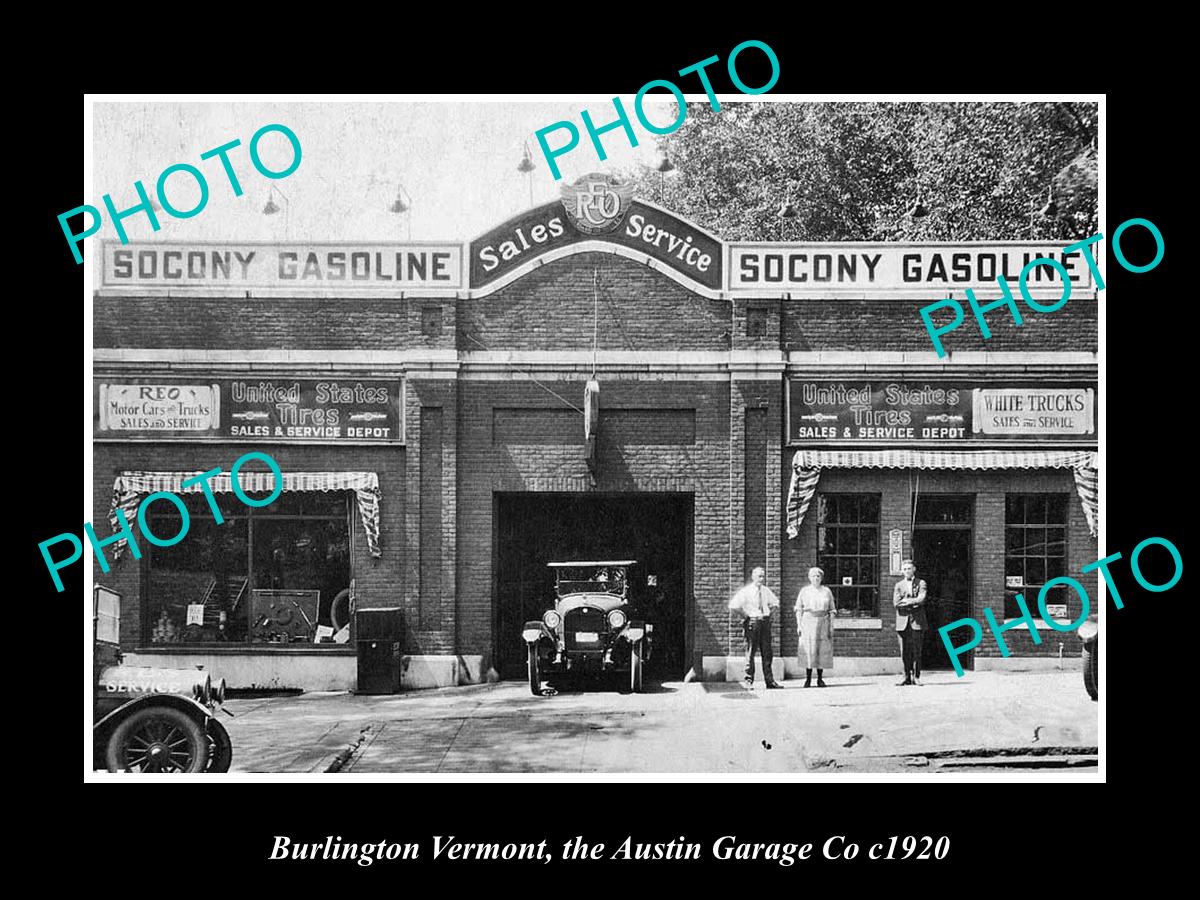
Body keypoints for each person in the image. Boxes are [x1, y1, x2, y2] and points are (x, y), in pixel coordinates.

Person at [729, 566, 782, 689]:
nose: (761, 579)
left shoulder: (765, 590)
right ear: (753, 577)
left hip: (765, 622)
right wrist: (746, 616)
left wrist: (770, 614)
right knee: (750, 652)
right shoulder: (746, 591)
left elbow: (775, 603)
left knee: (767, 652)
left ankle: (770, 681)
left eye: (763, 576)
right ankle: (748, 681)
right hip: (752, 623)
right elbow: (733, 606)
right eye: (759, 576)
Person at [795, 566, 835, 687]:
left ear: (821, 578)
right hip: (808, 621)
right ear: (809, 578)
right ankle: (808, 679)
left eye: (818, 576)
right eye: (813, 576)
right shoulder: (805, 591)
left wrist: (831, 626)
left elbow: (832, 610)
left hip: (823, 621)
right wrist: (799, 625)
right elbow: (798, 609)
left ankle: (820, 679)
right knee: (809, 649)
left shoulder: (826, 591)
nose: (816, 578)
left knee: (821, 649)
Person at [893, 559, 929, 686]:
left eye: (909, 568)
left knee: (917, 650)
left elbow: (922, 598)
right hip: (902, 622)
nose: (907, 571)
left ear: (914, 569)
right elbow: (896, 603)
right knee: (904, 651)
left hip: (917, 621)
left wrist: (908, 601)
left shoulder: (921, 583)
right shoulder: (898, 585)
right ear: (902, 571)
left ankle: (916, 676)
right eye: (905, 569)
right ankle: (906, 677)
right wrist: (914, 602)